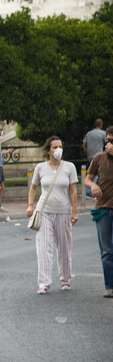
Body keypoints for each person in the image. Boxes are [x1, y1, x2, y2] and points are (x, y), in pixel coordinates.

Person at [27, 136, 78, 294]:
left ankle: (66, 279)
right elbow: (33, 188)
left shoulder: (69, 167)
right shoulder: (40, 168)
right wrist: (30, 205)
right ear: (48, 150)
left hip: (63, 211)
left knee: (64, 247)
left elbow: (73, 191)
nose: (58, 150)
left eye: (60, 146)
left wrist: (74, 211)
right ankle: (43, 283)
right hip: (45, 212)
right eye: (54, 147)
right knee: (43, 247)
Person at [84, 126, 113, 298]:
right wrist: (92, 184)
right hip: (103, 208)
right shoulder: (99, 158)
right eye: (108, 140)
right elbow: (88, 178)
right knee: (107, 251)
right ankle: (109, 285)